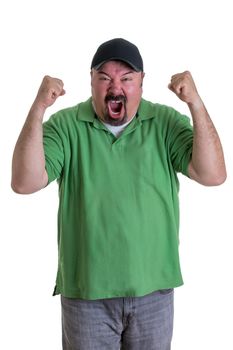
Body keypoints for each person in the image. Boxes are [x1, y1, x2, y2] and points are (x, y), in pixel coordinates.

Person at [11, 38, 226, 350]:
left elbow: (213, 175)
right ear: (91, 82)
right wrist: (39, 107)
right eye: (104, 78)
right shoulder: (68, 125)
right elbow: (24, 182)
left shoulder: (163, 122)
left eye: (126, 79)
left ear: (141, 83)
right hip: (87, 298)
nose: (116, 88)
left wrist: (195, 102)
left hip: (154, 294)